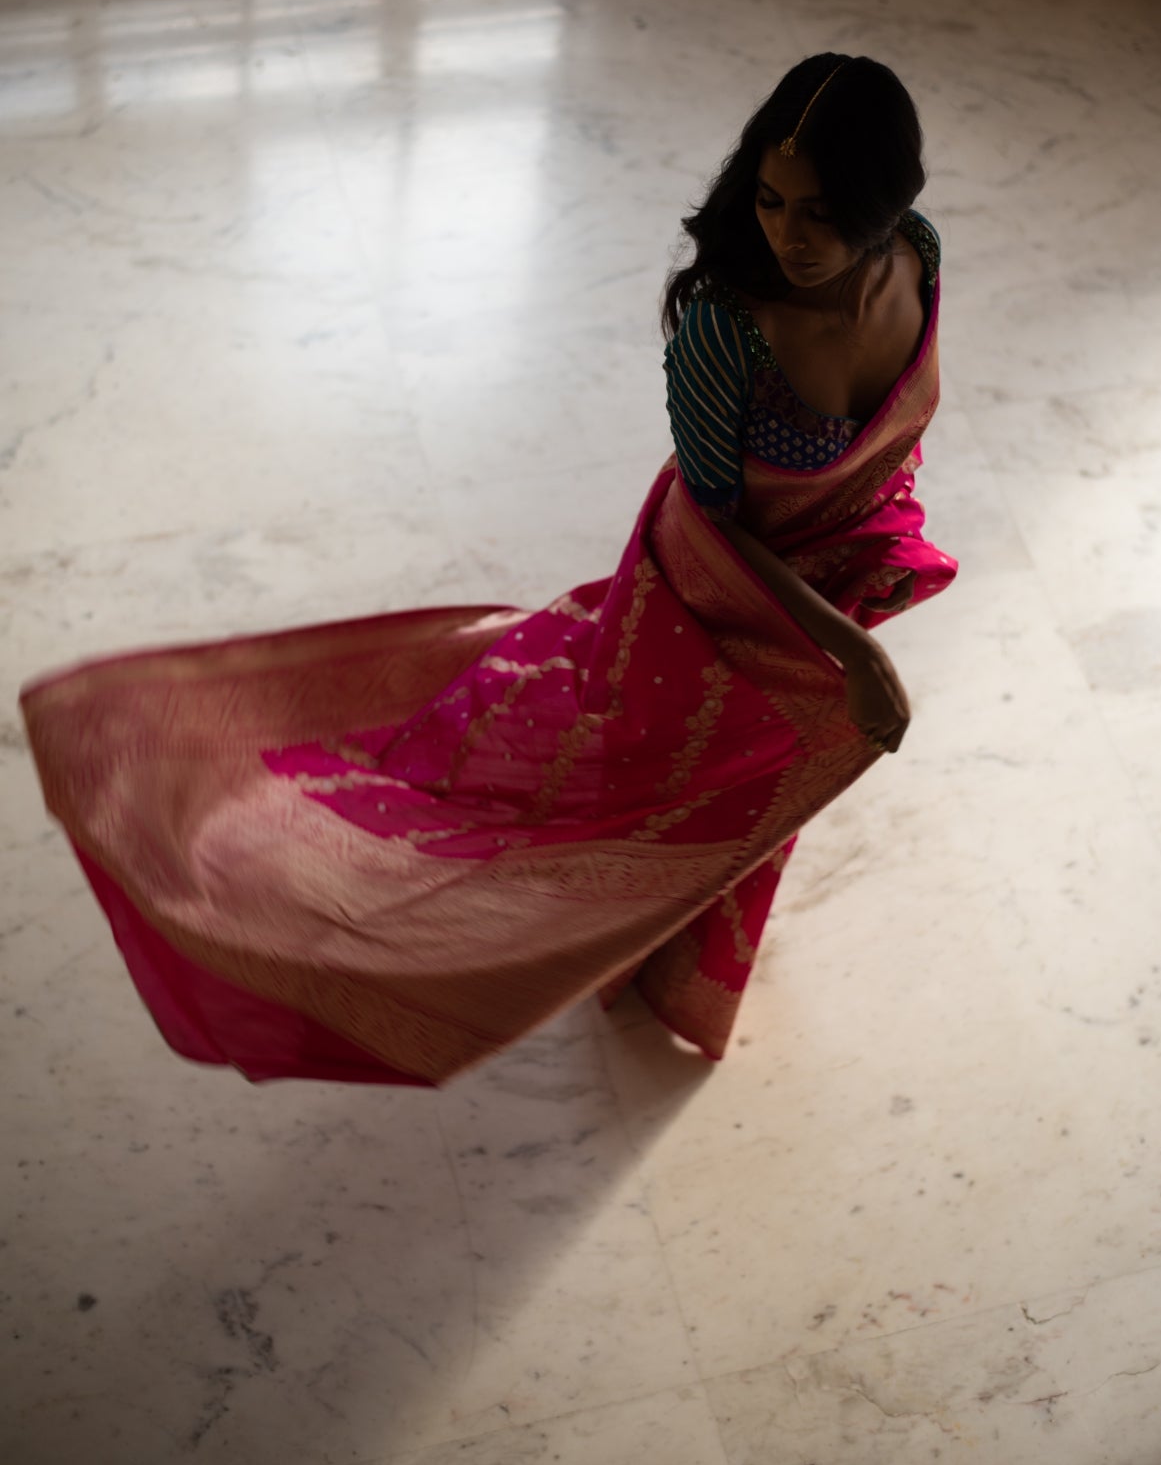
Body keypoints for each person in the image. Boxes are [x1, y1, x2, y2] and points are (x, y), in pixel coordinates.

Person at [20, 53, 956, 1089]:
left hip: (835, 593)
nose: (788, 235)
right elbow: (710, 523)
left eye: (823, 213)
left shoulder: (917, 255)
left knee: (749, 806)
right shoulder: (726, 327)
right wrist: (847, 647)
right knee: (597, 805)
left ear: (887, 205)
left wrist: (865, 572)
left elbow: (897, 421)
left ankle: (674, 966)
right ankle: (253, 846)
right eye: (773, 201)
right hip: (721, 610)